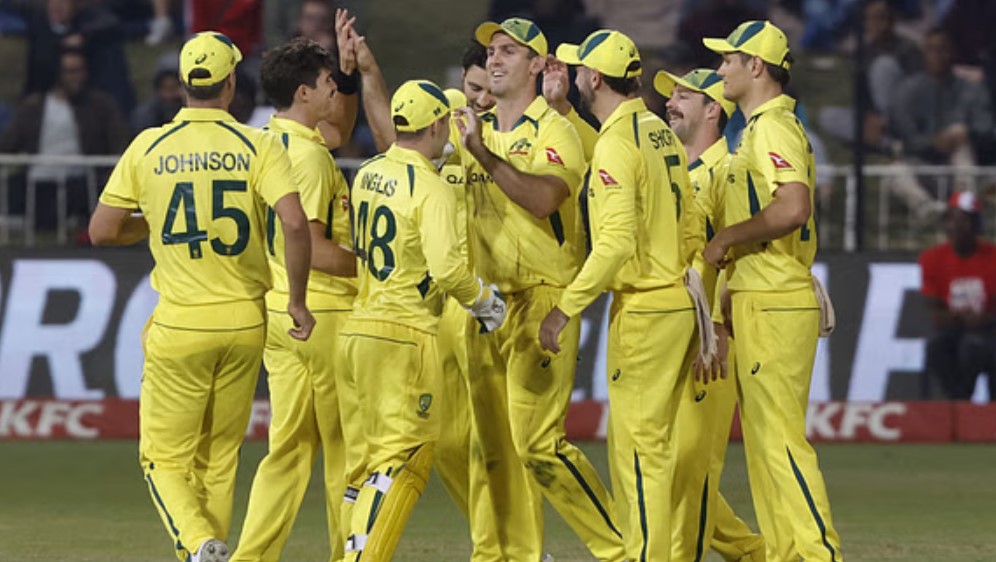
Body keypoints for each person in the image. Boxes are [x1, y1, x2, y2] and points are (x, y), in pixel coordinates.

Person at [87, 31, 315, 562]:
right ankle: (209, 551)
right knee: (219, 457)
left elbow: (102, 230)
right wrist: (298, 301)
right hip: (245, 322)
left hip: (181, 323)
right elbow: (294, 223)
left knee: (163, 459)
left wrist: (152, 224)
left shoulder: (149, 146)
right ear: (231, 82)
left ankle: (197, 544)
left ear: (183, 84)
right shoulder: (259, 145)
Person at [459, 18, 626, 562]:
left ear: (537, 65)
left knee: (538, 445)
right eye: (491, 51)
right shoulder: (476, 128)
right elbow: (401, 144)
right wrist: (365, 74)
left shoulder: (554, 131)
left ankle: (623, 551)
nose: (494, 59)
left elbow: (544, 199)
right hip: (487, 305)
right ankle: (504, 556)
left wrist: (483, 155)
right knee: (491, 448)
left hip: (541, 298)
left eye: (509, 51)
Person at [538, 29, 698, 561]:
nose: (574, 75)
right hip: (675, 301)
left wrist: (565, 309)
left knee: (638, 454)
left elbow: (614, 241)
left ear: (593, 78)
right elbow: (691, 223)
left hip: (645, 310)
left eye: (578, 70)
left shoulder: (618, 141)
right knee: (657, 449)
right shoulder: (658, 132)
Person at [337, 79, 507, 562]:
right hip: (404, 334)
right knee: (404, 459)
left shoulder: (367, 172)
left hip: (358, 328)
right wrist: (485, 303)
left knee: (366, 466)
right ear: (436, 125)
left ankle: (345, 551)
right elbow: (448, 270)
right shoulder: (429, 186)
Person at [702, 20, 843, 561]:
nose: (721, 69)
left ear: (756, 66)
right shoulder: (759, 129)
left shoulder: (773, 129)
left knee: (781, 444)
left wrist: (726, 239)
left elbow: (793, 208)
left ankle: (819, 554)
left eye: (728, 60)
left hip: (776, 300)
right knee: (765, 449)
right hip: (762, 297)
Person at [229, 37, 357, 562]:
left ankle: (251, 556)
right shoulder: (308, 158)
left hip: (279, 313)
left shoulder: (268, 142)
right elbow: (313, 247)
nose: (334, 91)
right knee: (347, 449)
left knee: (287, 450)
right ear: (304, 93)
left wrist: (348, 74)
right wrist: (380, 269)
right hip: (322, 313)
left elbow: (338, 130)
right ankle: (352, 554)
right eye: (327, 84)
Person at [657, 67, 766, 562]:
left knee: (691, 462)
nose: (671, 102)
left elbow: (738, 252)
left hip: (708, 337)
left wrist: (717, 328)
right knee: (670, 462)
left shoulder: (729, 171)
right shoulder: (673, 172)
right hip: (667, 329)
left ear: (712, 110)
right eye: (671, 95)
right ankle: (754, 552)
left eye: (684, 95)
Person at [0, 47, 129, 231]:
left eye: (80, 70)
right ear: (59, 74)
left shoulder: (101, 106)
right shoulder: (33, 107)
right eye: (70, 71)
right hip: (37, 182)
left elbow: (119, 141)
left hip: (80, 182)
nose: (76, 77)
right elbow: (8, 143)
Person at [920, 191, 996, 400]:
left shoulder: (992, 256)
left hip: (990, 329)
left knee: (975, 347)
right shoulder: (932, 258)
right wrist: (961, 317)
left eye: (964, 220)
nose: (956, 226)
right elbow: (935, 309)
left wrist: (985, 319)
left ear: (977, 225)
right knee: (937, 347)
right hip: (953, 328)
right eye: (951, 219)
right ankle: (958, 404)